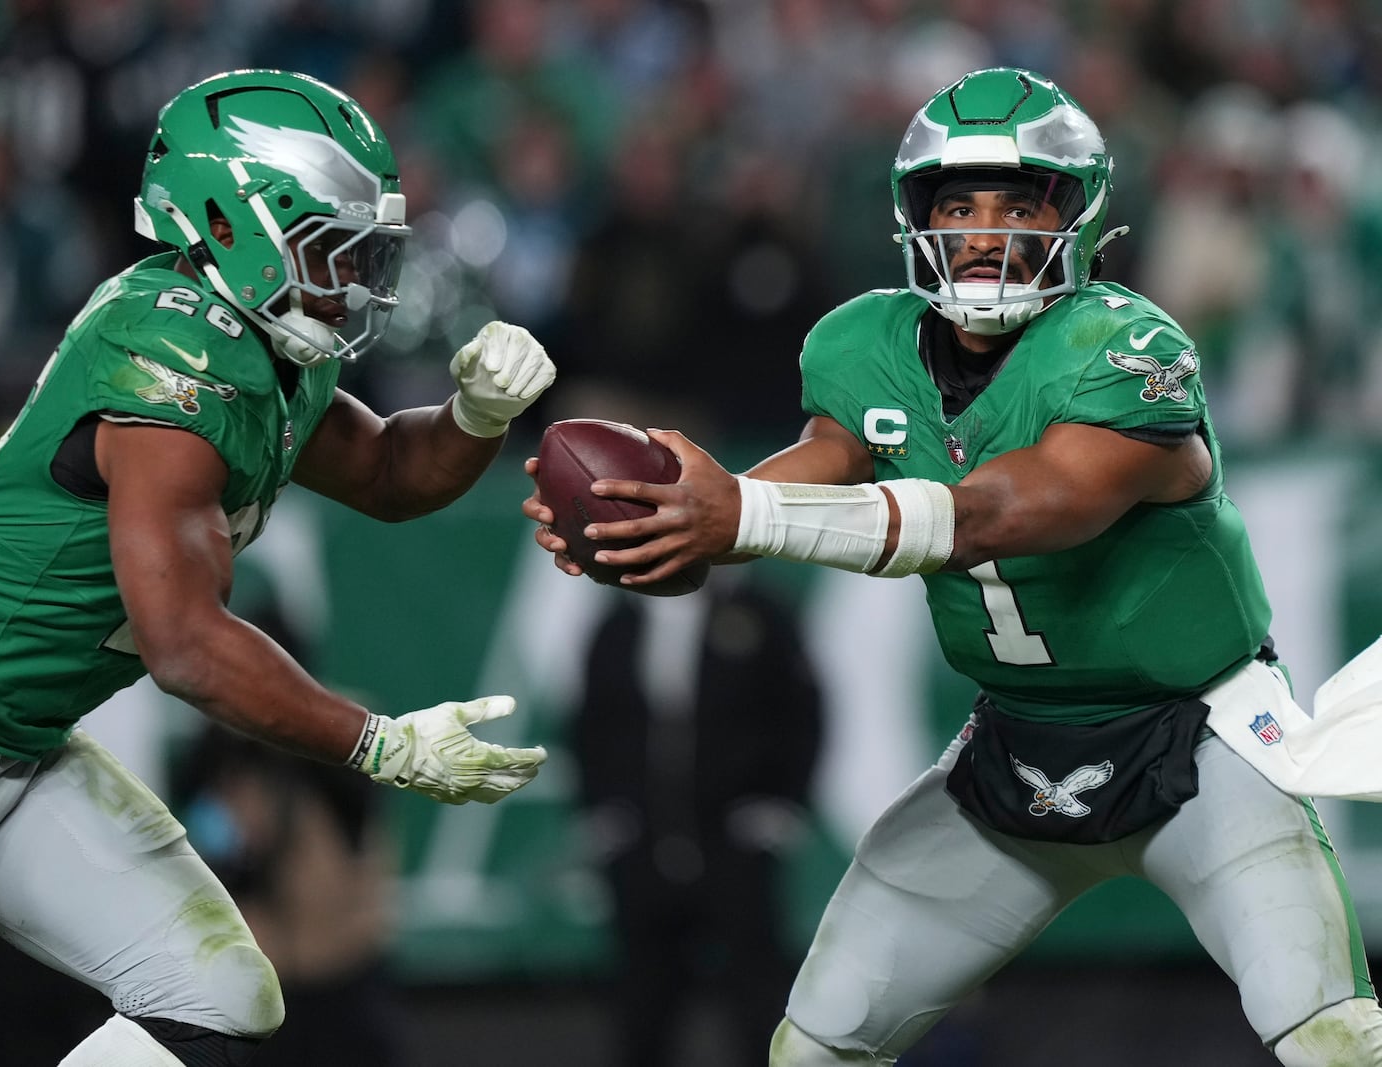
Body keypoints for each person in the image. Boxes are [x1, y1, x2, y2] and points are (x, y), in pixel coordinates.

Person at [523, 67, 1382, 1066]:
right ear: (913, 217)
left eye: (1018, 203)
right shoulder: (867, 345)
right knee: (815, 1044)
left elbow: (1010, 510)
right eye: (959, 204)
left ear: (1078, 214)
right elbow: (774, 500)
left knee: (1331, 1040)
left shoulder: (1123, 343)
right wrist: (670, 525)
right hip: (1013, 752)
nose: (984, 231)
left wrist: (743, 508)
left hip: (1203, 740)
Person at [0, 69, 555, 1066]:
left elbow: (391, 471)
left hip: (22, 746)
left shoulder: (267, 341)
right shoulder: (171, 353)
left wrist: (476, 418)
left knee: (216, 992)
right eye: (332, 247)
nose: (355, 279)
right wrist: (379, 742)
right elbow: (184, 643)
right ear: (231, 225)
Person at [575, 571, 822, 1067]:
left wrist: (780, 807)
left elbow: (801, 711)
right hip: (643, 843)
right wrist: (605, 814)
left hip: (735, 840)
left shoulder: (757, 613)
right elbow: (590, 719)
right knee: (644, 1003)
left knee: (757, 1001)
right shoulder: (621, 622)